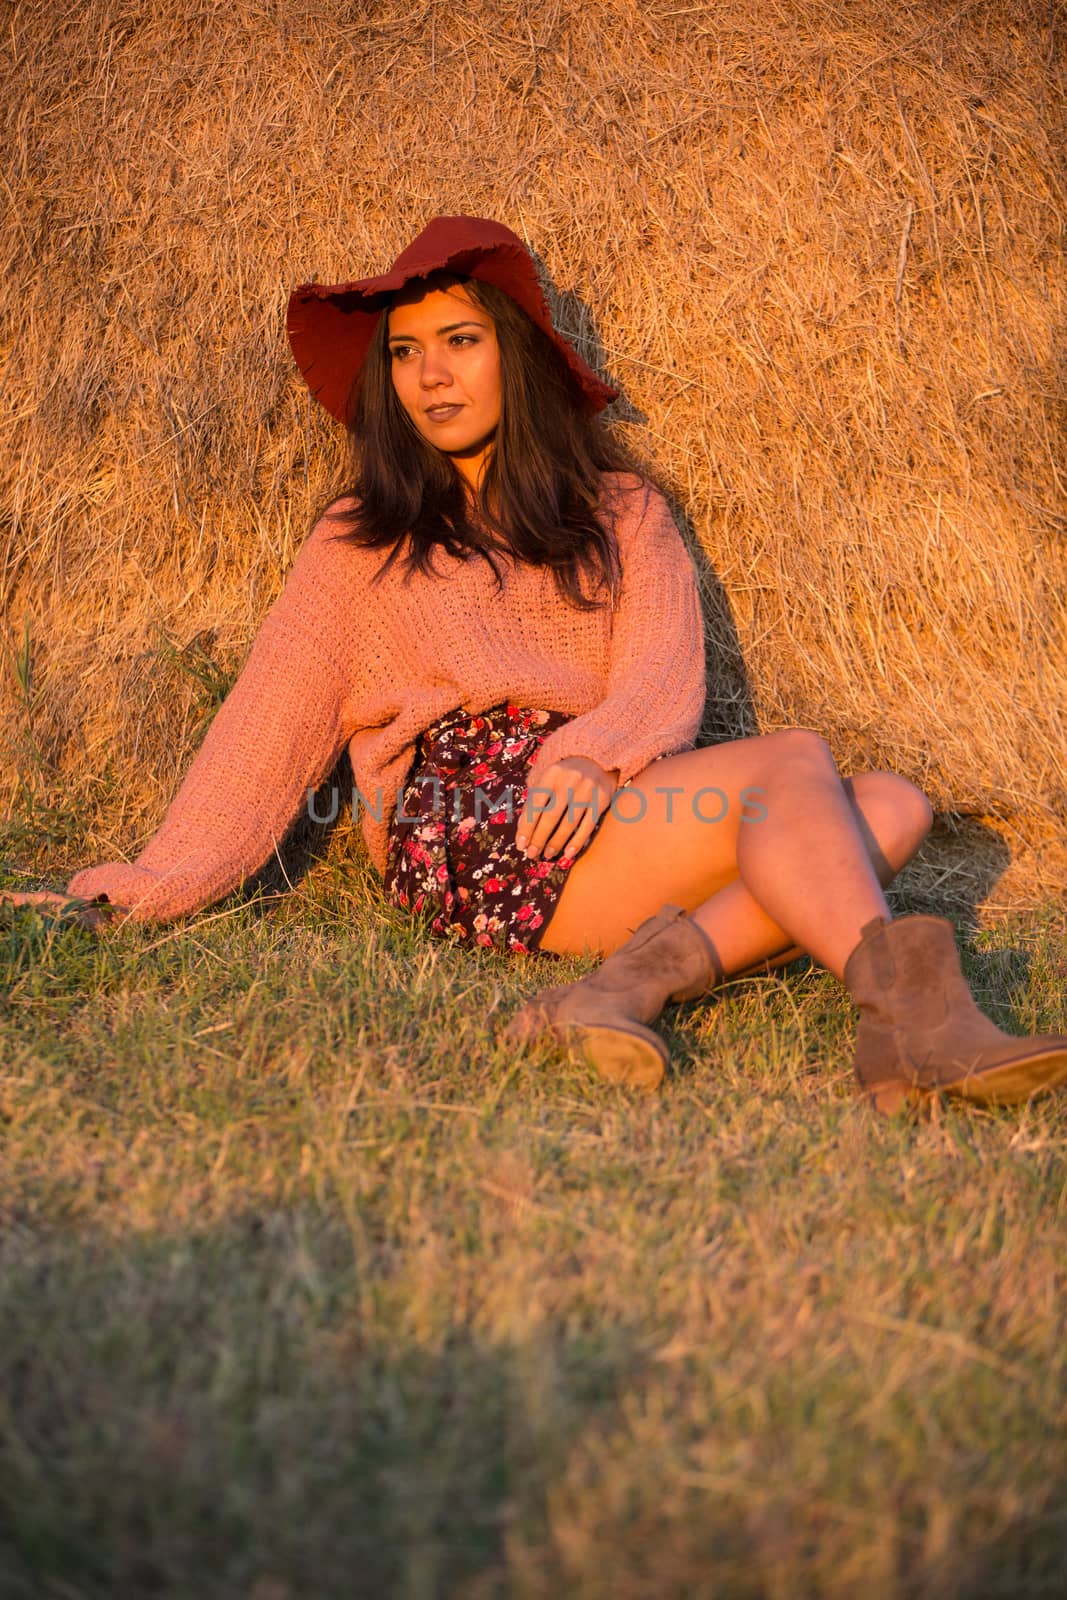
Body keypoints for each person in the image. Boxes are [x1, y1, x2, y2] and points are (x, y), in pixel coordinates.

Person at [7, 216, 1065, 1113]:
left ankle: (614, 995)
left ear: (512, 352)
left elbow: (661, 673)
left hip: (593, 796)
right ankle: (919, 1023)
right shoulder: (359, 539)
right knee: (796, 764)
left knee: (888, 805)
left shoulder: (621, 511)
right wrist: (141, 888)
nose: (430, 374)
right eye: (407, 353)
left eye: (458, 341)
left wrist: (594, 752)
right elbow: (263, 731)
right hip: (464, 826)